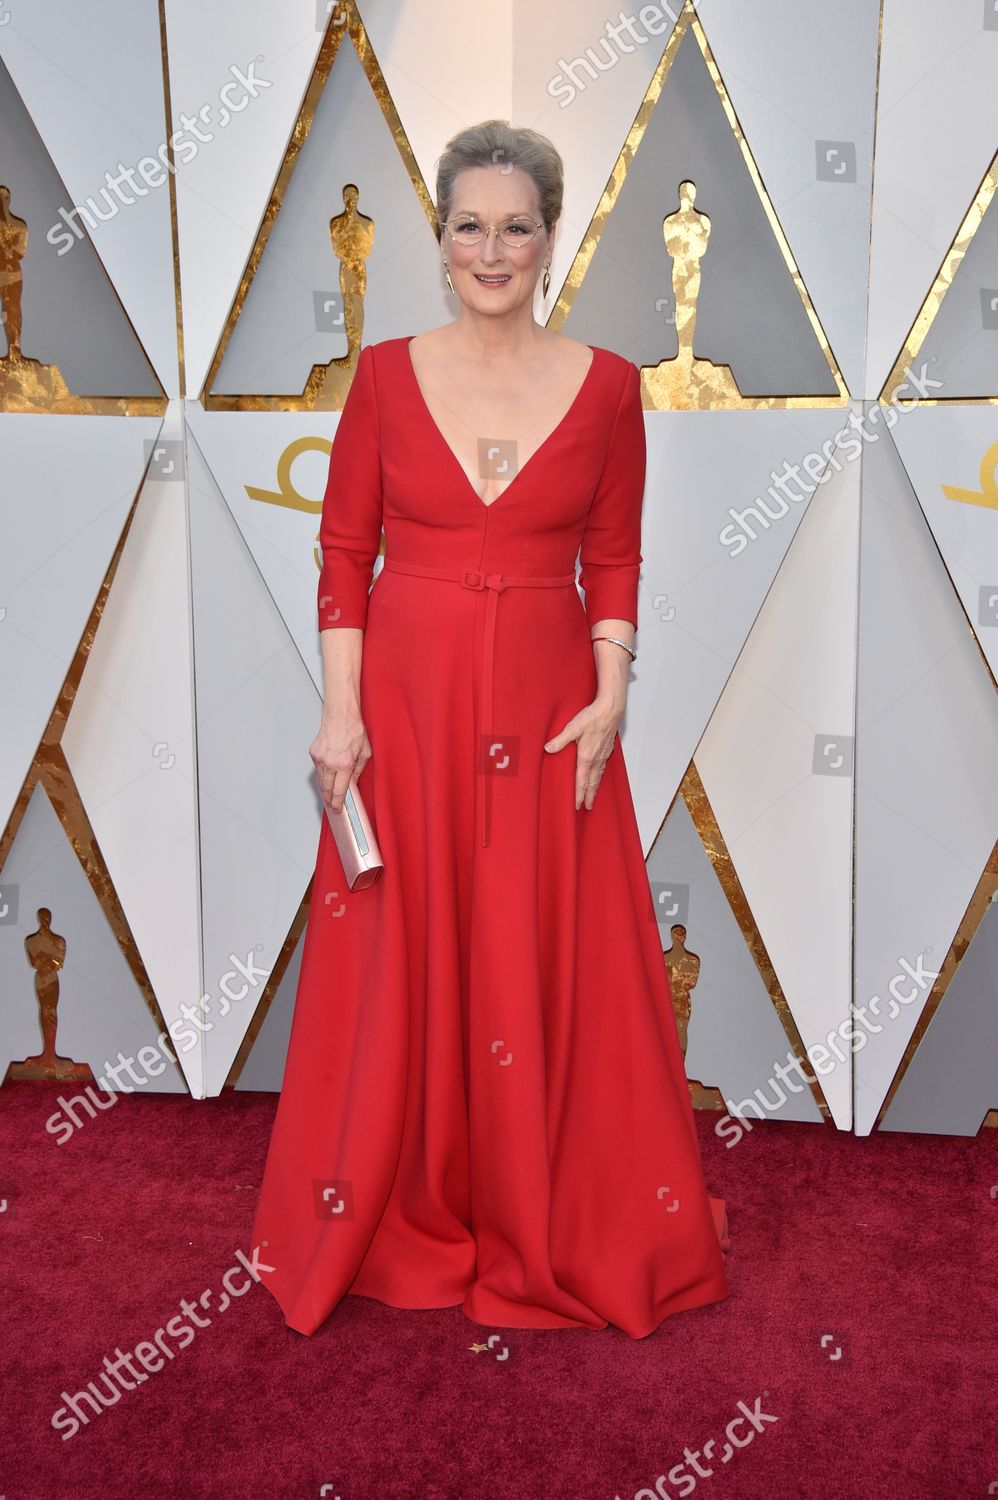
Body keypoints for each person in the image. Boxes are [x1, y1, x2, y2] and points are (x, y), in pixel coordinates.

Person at [250, 119, 731, 1339]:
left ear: (548, 236)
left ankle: (535, 1202)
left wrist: (612, 689)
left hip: (544, 709)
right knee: (407, 947)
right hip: (403, 714)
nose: (491, 247)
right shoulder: (381, 376)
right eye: (469, 224)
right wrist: (340, 711)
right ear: (440, 238)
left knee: (531, 945)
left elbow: (612, 554)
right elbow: (343, 550)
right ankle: (403, 1202)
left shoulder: (611, 386)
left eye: (516, 225)